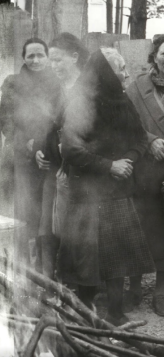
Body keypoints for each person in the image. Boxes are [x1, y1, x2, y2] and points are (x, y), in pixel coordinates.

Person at [58, 48, 155, 325]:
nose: (126, 74)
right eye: (120, 68)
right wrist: (109, 166)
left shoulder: (122, 101)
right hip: (88, 193)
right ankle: (85, 314)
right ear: (105, 72)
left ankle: (114, 311)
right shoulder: (80, 102)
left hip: (119, 191)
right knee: (87, 257)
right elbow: (70, 150)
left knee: (118, 255)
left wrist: (129, 160)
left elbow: (139, 138)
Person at [0, 38, 61, 277]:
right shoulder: (13, 84)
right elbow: (7, 124)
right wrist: (28, 146)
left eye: (40, 55)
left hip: (51, 159)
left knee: (50, 217)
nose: (35, 60)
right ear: (23, 58)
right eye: (30, 56)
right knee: (25, 214)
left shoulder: (57, 84)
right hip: (23, 162)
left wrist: (48, 148)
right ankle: (24, 270)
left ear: (47, 57)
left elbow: (59, 120)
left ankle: (48, 271)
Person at [34, 33, 89, 281]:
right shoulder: (52, 89)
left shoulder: (89, 88)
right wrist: (38, 150)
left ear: (75, 57)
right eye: (52, 61)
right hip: (53, 170)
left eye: (58, 60)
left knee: (76, 231)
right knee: (47, 228)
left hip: (81, 172)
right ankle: (48, 282)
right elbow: (44, 126)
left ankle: (77, 284)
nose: (53, 66)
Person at [127, 35, 164, 316]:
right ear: (155, 56)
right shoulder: (137, 86)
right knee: (144, 225)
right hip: (147, 168)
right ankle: (135, 283)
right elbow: (127, 122)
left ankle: (162, 288)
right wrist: (150, 139)